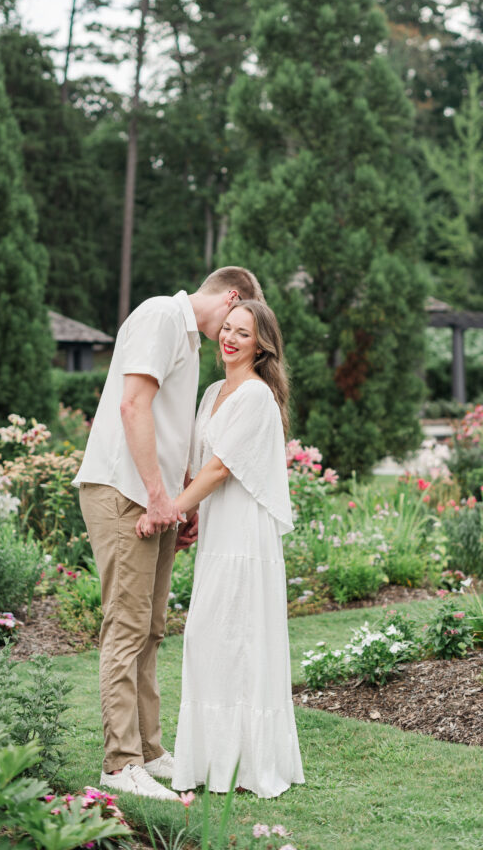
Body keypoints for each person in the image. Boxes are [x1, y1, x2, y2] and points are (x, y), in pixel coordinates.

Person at [73, 268, 264, 801]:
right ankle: (120, 763)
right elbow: (132, 406)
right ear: (232, 298)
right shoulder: (160, 315)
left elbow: (170, 426)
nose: (235, 334)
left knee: (152, 626)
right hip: (123, 494)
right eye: (241, 320)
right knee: (127, 625)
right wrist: (160, 497)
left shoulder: (188, 341)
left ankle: (150, 751)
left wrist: (180, 501)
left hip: (155, 498)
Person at [137, 300, 304, 798]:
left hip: (243, 535)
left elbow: (219, 469)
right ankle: (213, 759)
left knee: (239, 638)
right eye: (226, 329)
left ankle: (249, 762)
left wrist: (169, 512)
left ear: (261, 345)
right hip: (215, 534)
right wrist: (187, 512)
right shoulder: (212, 392)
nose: (228, 339)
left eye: (242, 333)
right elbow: (196, 465)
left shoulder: (255, 397)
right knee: (208, 639)